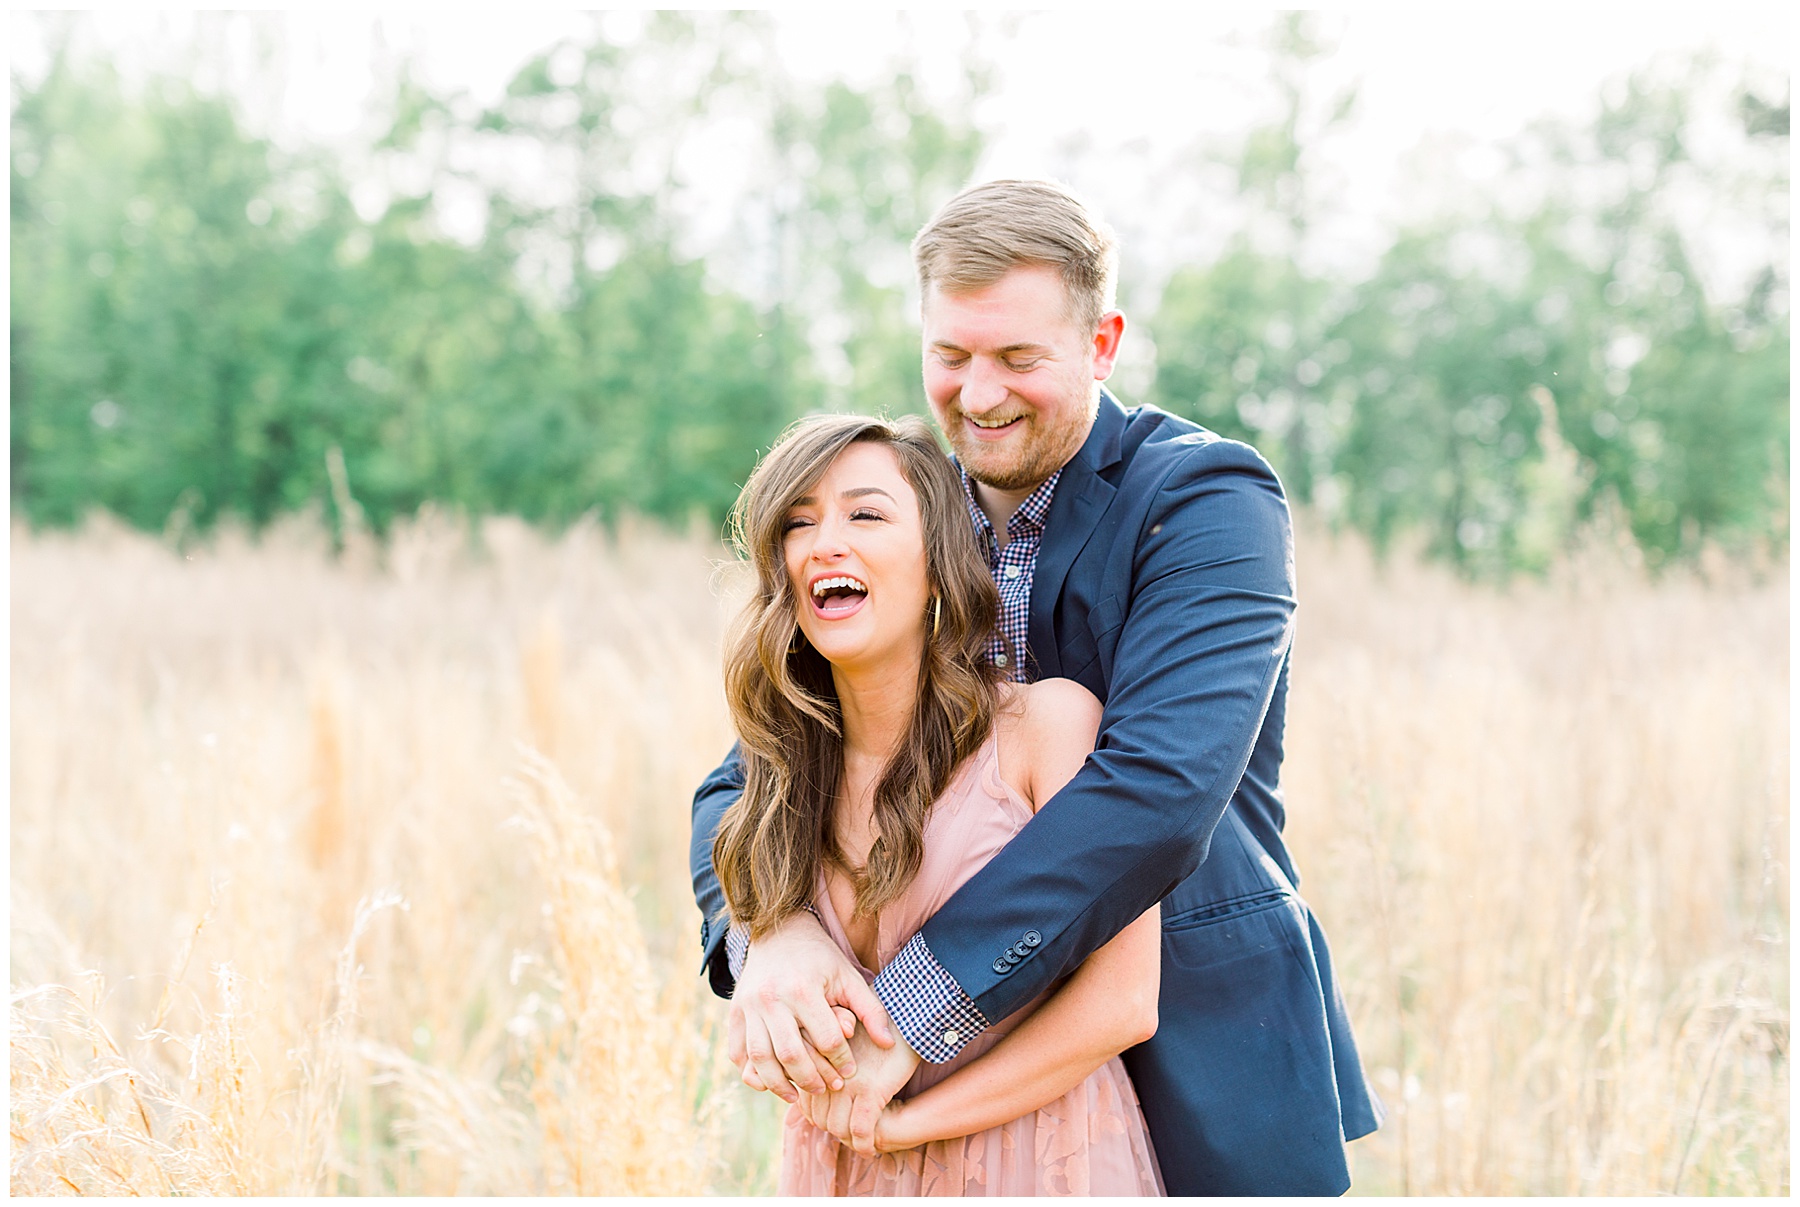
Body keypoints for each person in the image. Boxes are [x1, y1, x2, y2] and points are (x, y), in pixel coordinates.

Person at [691, 179, 1382, 1195]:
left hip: (1192, 1049)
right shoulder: (905, 511)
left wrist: (912, 1009)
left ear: (1102, 343)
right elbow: (752, 769)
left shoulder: (1205, 499)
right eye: (951, 356)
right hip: (935, 1099)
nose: (979, 396)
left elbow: (1157, 789)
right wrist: (772, 934)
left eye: (1019, 358)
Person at [714, 413, 1165, 1194]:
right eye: (798, 522)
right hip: (840, 1170)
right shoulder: (780, 765)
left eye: (865, 514)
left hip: (1034, 1164)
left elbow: (1122, 1001)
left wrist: (903, 1125)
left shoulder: (1044, 727)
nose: (825, 543)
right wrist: (770, 943)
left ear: (938, 562)